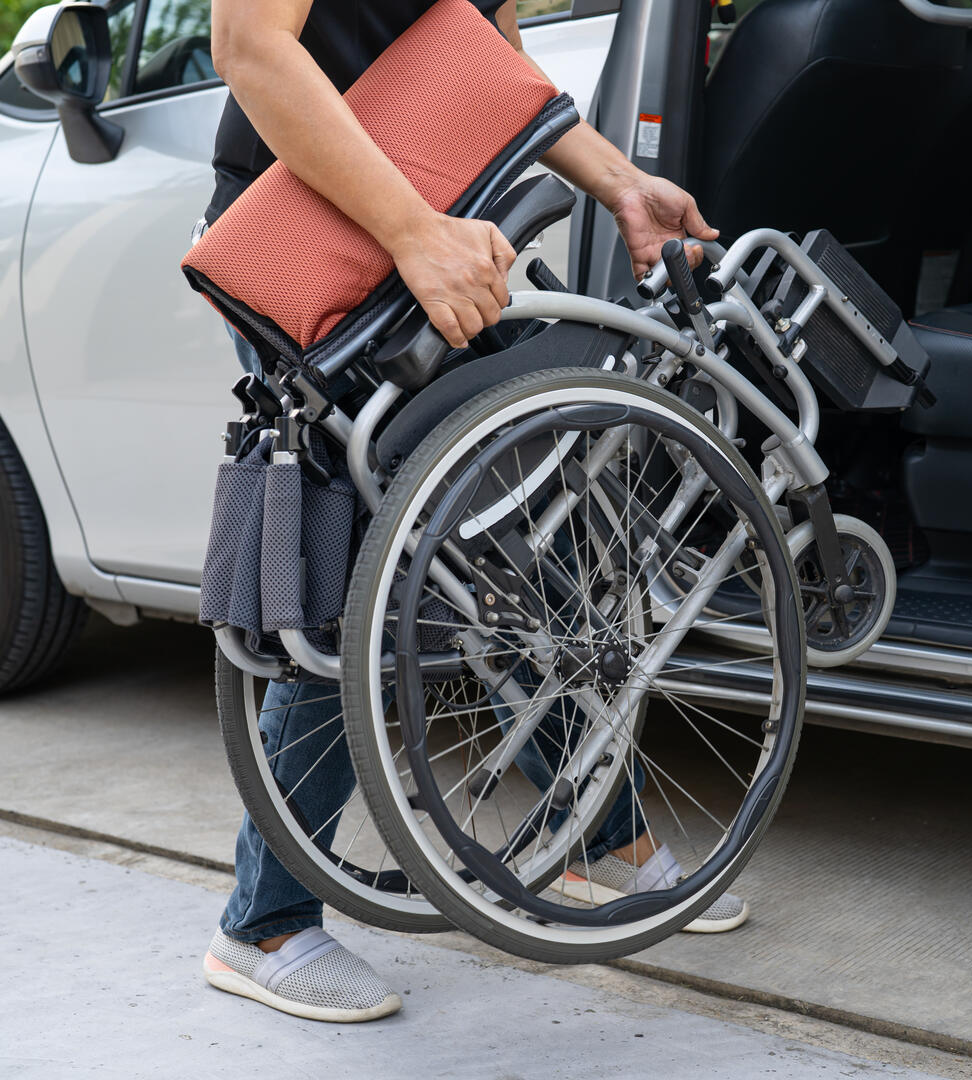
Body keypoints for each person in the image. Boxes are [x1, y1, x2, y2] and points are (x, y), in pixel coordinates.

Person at [199, 0, 750, 1023]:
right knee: (360, 590)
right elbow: (250, 48)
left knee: (516, 531)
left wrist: (622, 184)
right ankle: (262, 923)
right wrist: (410, 231)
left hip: (438, 224)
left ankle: (596, 830)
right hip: (316, 233)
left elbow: (479, 44)